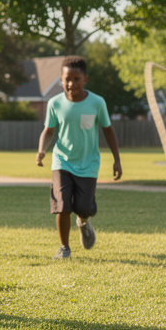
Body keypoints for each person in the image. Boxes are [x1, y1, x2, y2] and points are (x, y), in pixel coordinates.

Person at [35, 55, 122, 259]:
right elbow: (48, 131)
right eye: (67, 79)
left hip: (88, 163)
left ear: (85, 80)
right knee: (62, 205)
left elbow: (108, 131)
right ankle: (64, 248)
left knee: (83, 207)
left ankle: (83, 221)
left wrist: (117, 159)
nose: (71, 84)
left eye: (76, 79)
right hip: (62, 161)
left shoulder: (97, 103)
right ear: (61, 79)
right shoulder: (55, 103)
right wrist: (41, 151)